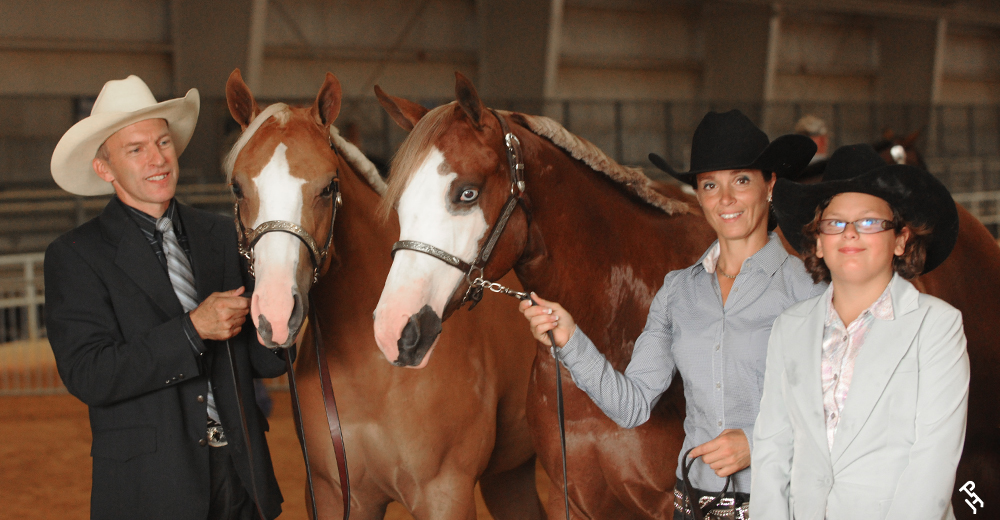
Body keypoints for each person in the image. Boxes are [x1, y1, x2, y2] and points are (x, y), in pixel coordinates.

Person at [521, 109, 821, 519]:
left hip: (779, 505)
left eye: (742, 180)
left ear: (769, 185)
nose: (726, 198)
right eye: (711, 184)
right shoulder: (678, 292)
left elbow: (842, 411)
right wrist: (571, 340)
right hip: (692, 504)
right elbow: (632, 406)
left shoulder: (807, 289)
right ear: (698, 196)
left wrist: (758, 443)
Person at [45, 75, 286, 520]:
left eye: (162, 142)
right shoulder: (76, 256)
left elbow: (265, 360)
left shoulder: (221, 234)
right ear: (105, 168)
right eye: (136, 149)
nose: (157, 159)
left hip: (241, 477)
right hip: (151, 490)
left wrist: (286, 313)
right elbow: (90, 374)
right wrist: (192, 330)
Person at [752, 144, 969, 519]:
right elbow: (773, 447)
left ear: (900, 240)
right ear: (817, 242)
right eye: (834, 223)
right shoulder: (789, 327)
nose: (849, 234)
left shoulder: (937, 326)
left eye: (869, 222)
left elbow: (931, 461)